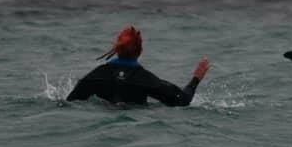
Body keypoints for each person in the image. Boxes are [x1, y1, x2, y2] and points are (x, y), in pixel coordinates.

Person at [66, 26, 211, 106]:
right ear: (140, 50)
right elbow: (183, 100)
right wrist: (196, 79)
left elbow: (69, 103)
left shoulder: (96, 76)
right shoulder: (147, 80)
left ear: (117, 48)